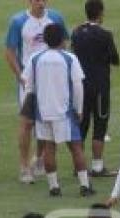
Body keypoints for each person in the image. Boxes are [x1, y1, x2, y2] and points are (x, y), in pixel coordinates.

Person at [23, 23, 91, 197]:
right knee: (76, 147)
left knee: (48, 147)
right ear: (62, 39)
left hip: (43, 111)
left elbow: (28, 85)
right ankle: (84, 185)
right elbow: (77, 86)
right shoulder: (69, 58)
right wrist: (79, 108)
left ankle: (54, 186)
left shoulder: (35, 58)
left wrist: (30, 108)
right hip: (65, 112)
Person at [5, 0, 68, 184]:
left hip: (50, 80)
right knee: (27, 123)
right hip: (30, 80)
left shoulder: (55, 17)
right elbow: (9, 51)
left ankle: (40, 159)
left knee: (47, 119)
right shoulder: (18, 22)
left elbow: (63, 42)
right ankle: (24, 167)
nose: (40, 2)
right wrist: (20, 76)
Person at [71, 0, 120, 177]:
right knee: (100, 124)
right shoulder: (105, 34)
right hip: (100, 86)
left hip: (81, 86)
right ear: (100, 13)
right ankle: (97, 166)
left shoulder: (76, 33)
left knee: (81, 126)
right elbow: (115, 59)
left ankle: (79, 167)